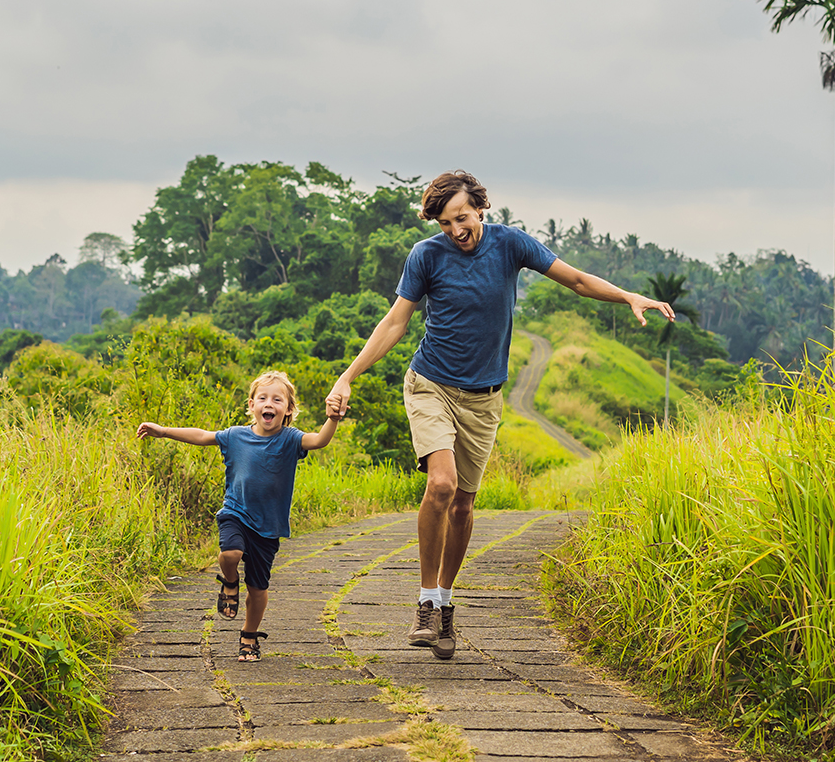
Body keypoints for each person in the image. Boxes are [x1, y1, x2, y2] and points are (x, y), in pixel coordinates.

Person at [325, 170, 674, 660]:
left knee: (465, 506)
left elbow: (574, 279)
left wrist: (629, 296)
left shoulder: (511, 245)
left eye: (462, 219)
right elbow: (396, 321)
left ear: (480, 208)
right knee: (441, 486)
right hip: (430, 385)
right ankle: (425, 602)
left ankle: (446, 604)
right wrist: (348, 376)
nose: (455, 231)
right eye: (446, 224)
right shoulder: (426, 255)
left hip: (484, 398)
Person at [137, 369, 339, 662]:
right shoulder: (235, 436)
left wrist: (332, 418)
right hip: (235, 512)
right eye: (262, 398)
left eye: (277, 400)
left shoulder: (291, 440)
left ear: (288, 410)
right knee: (229, 553)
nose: (269, 403)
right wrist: (164, 431)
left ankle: (249, 636)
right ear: (252, 405)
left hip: (268, 527)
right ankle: (229, 582)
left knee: (258, 589)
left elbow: (319, 440)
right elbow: (203, 436)